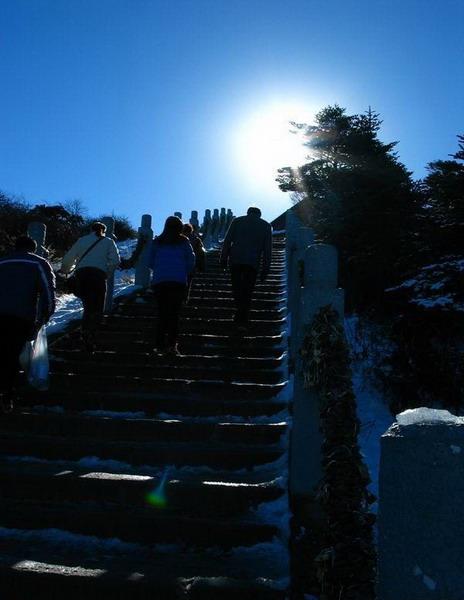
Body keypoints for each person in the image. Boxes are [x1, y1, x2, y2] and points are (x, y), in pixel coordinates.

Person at [0, 235, 56, 411]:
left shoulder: (2, 262)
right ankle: (6, 395)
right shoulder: (38, 263)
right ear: (33, 248)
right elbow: (48, 291)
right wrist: (45, 315)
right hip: (20, 316)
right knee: (11, 354)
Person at [59, 222, 120, 352]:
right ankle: (91, 335)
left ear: (90, 230)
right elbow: (115, 261)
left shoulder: (82, 240)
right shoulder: (108, 241)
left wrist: (65, 270)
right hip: (98, 276)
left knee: (88, 305)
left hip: (82, 275)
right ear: (104, 230)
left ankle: (85, 332)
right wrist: (107, 272)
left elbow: (69, 257)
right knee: (97, 307)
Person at [220, 206, 272, 330]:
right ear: (259, 214)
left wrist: (223, 258)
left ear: (248, 212)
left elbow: (227, 241)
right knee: (248, 291)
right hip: (253, 263)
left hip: (236, 260)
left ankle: (239, 312)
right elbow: (267, 250)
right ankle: (242, 319)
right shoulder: (266, 225)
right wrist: (265, 269)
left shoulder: (237, 221)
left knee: (237, 287)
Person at [149, 216, 195, 356]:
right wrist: (183, 271)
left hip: (160, 282)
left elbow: (149, 261)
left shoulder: (157, 241)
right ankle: (172, 346)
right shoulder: (184, 241)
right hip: (178, 282)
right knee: (174, 314)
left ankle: (159, 346)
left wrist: (159, 270)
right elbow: (191, 260)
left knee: (162, 313)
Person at [182, 223, 206, 303]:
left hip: (179, 265)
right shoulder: (196, 239)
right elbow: (201, 253)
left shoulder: (179, 239)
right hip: (192, 265)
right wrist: (201, 266)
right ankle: (185, 299)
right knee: (188, 283)